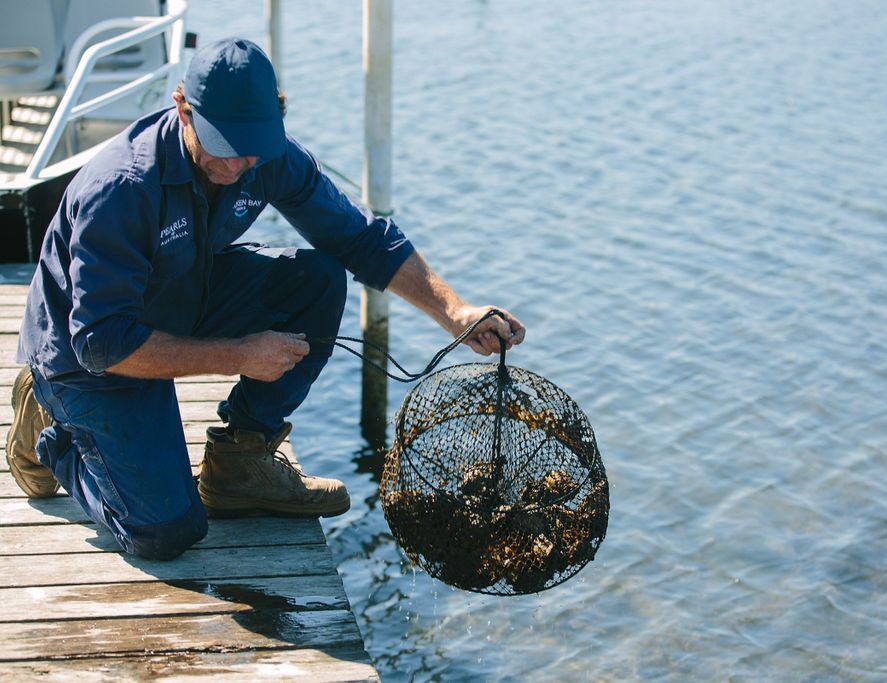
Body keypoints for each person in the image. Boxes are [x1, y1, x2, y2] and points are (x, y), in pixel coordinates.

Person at [6, 38, 525, 561]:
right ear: (182, 109)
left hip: (183, 293)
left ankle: (240, 462)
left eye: (249, 147)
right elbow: (102, 342)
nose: (236, 165)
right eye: (221, 145)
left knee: (319, 277)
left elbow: (360, 239)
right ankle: (53, 430)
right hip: (89, 354)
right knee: (165, 532)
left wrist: (453, 310)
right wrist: (238, 355)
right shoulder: (121, 187)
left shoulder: (268, 157)